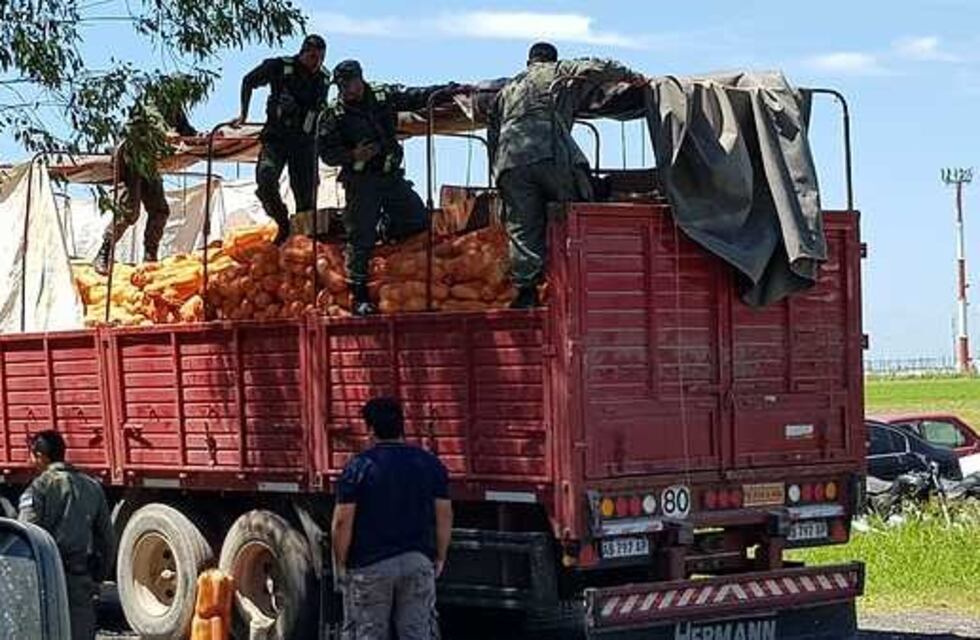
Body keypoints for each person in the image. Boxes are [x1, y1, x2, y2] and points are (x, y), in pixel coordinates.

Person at [488, 42, 641, 308]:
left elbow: (493, 132)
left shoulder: (507, 89)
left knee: (523, 227)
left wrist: (499, 175)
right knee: (578, 206)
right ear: (551, 59)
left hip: (510, 161)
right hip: (548, 151)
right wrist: (630, 75)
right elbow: (598, 66)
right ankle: (583, 278)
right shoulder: (559, 70)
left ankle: (527, 293)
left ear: (529, 62)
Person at [319, 59, 456, 316]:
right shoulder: (334, 113)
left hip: (390, 176)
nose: (346, 89)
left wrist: (446, 90)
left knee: (417, 219)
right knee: (360, 237)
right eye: (341, 85)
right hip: (361, 182)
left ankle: (386, 228)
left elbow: (413, 96)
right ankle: (358, 294)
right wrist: (352, 155)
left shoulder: (382, 95)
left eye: (350, 83)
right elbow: (326, 152)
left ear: (360, 79)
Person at [332, 397, 453, 640]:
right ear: (401, 426)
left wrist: (341, 563)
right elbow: (444, 514)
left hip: (370, 566)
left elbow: (343, 522)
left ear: (371, 430)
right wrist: (440, 556)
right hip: (417, 561)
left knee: (369, 633)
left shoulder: (358, 467)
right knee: (417, 632)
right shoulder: (429, 464)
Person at [18, 430, 116, 640]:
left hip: (48, 582)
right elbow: (107, 541)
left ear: (40, 456)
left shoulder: (38, 488)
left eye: (31, 455)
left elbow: (27, 535)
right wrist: (97, 578)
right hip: (81, 580)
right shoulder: (92, 487)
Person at [92, 83, 199, 274]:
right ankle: (104, 251)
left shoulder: (175, 108)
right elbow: (155, 121)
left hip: (148, 161)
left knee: (159, 210)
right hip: (131, 157)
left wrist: (201, 138)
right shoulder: (152, 101)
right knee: (129, 211)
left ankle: (150, 255)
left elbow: (186, 130)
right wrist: (165, 134)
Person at [233, 34, 330, 245]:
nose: (317, 62)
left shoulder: (323, 78)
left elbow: (320, 110)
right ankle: (283, 223)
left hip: (304, 143)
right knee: (266, 179)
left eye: (321, 57)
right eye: (313, 57)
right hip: (276, 138)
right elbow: (248, 81)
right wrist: (244, 114)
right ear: (303, 53)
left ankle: (303, 242)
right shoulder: (280, 66)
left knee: (306, 195)